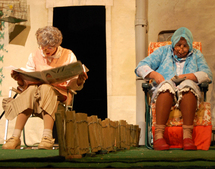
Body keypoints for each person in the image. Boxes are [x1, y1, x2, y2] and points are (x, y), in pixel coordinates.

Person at [2, 26, 88, 150]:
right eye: (42, 46)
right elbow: (28, 81)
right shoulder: (35, 55)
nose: (45, 50)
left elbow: (72, 84)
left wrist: (79, 80)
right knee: (32, 89)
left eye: (49, 47)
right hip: (36, 95)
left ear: (57, 44)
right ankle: (15, 137)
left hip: (60, 94)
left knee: (46, 88)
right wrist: (21, 80)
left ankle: (47, 137)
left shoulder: (68, 55)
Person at [135, 27, 212, 151]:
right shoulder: (163, 52)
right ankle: (159, 137)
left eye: (185, 46)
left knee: (187, 85)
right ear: (174, 43)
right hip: (165, 90)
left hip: (188, 91)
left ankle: (187, 138)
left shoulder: (196, 55)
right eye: (178, 45)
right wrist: (155, 75)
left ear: (190, 46)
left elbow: (207, 74)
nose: (181, 49)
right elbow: (140, 67)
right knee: (166, 86)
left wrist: (185, 77)